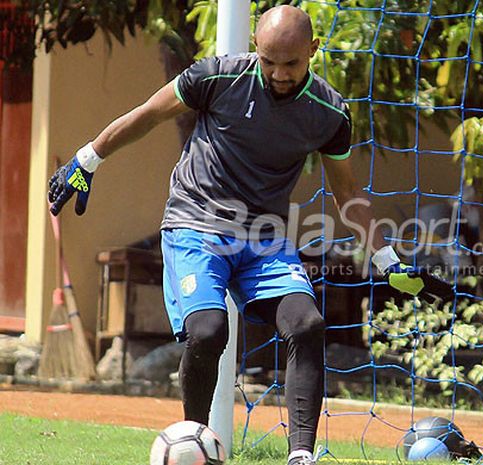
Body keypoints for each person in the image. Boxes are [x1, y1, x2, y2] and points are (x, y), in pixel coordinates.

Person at [47, 5, 450, 465]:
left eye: (292, 63)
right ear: (255, 47)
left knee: (307, 325)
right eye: (269, 60)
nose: (279, 73)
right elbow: (148, 114)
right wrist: (88, 159)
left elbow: (348, 194)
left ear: (313, 51)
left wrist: (387, 261)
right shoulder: (215, 78)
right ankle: (195, 447)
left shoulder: (329, 112)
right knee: (208, 331)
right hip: (195, 224)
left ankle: (301, 455)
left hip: (264, 237)